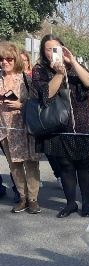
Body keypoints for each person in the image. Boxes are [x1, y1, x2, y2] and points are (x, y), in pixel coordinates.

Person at [33, 34, 89, 218]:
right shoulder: (40, 69)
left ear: (63, 48)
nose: (52, 52)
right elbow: (45, 96)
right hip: (57, 125)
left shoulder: (74, 65)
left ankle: (86, 202)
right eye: (48, 49)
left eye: (55, 47)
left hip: (82, 123)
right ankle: (71, 203)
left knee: (83, 165)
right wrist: (59, 73)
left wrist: (72, 61)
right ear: (43, 52)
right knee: (65, 166)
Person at [0, 42, 41, 213]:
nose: (4, 62)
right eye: (1, 59)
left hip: (25, 129)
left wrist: (20, 105)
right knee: (14, 167)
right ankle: (22, 198)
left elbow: (37, 104)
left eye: (8, 58)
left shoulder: (26, 79)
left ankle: (32, 199)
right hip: (5, 131)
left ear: (15, 59)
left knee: (31, 164)